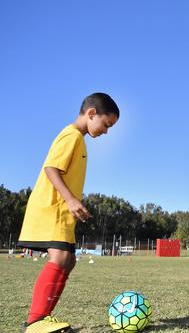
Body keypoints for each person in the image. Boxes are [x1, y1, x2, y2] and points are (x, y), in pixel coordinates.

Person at [17, 93, 119, 332]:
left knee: (69, 260)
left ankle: (43, 318)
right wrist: (71, 200)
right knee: (61, 258)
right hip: (52, 207)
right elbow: (51, 168)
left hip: (62, 211)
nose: (106, 131)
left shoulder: (79, 140)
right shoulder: (71, 135)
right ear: (91, 113)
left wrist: (73, 204)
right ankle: (35, 320)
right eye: (106, 124)